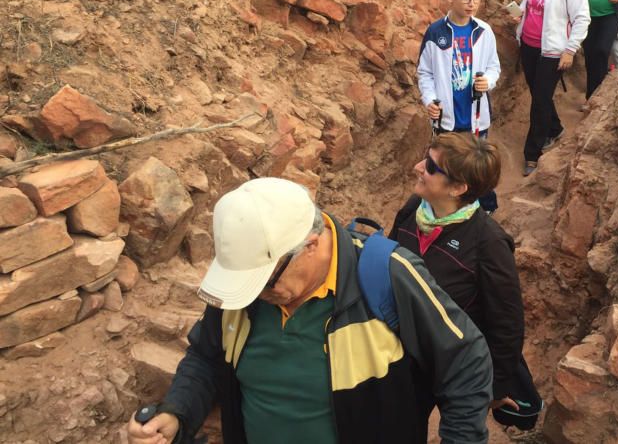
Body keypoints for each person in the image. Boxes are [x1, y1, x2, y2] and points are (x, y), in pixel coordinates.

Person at [125, 177, 494, 444]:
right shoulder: (246, 292)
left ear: (311, 246)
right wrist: (177, 412)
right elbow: (206, 357)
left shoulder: (387, 275)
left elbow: (466, 360)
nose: (258, 293)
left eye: (267, 281)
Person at [389, 134, 531, 433]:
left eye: (429, 166)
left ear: (457, 188)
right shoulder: (412, 211)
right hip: (408, 358)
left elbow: (507, 320)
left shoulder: (488, 242)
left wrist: (494, 387)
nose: (417, 167)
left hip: (459, 365)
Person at [417, 0, 502, 212]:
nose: (471, 4)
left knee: (477, 167)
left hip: (476, 116)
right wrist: (430, 100)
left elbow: (493, 67)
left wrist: (488, 81)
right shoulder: (436, 32)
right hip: (447, 119)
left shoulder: (484, 31)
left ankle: (485, 209)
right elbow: (425, 73)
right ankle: (448, 209)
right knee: (447, 167)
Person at [516, 0, 590, 176]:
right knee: (539, 93)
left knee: (539, 100)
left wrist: (570, 50)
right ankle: (555, 128)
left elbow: (581, 18)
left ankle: (532, 153)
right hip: (528, 42)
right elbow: (531, 2)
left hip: (553, 49)